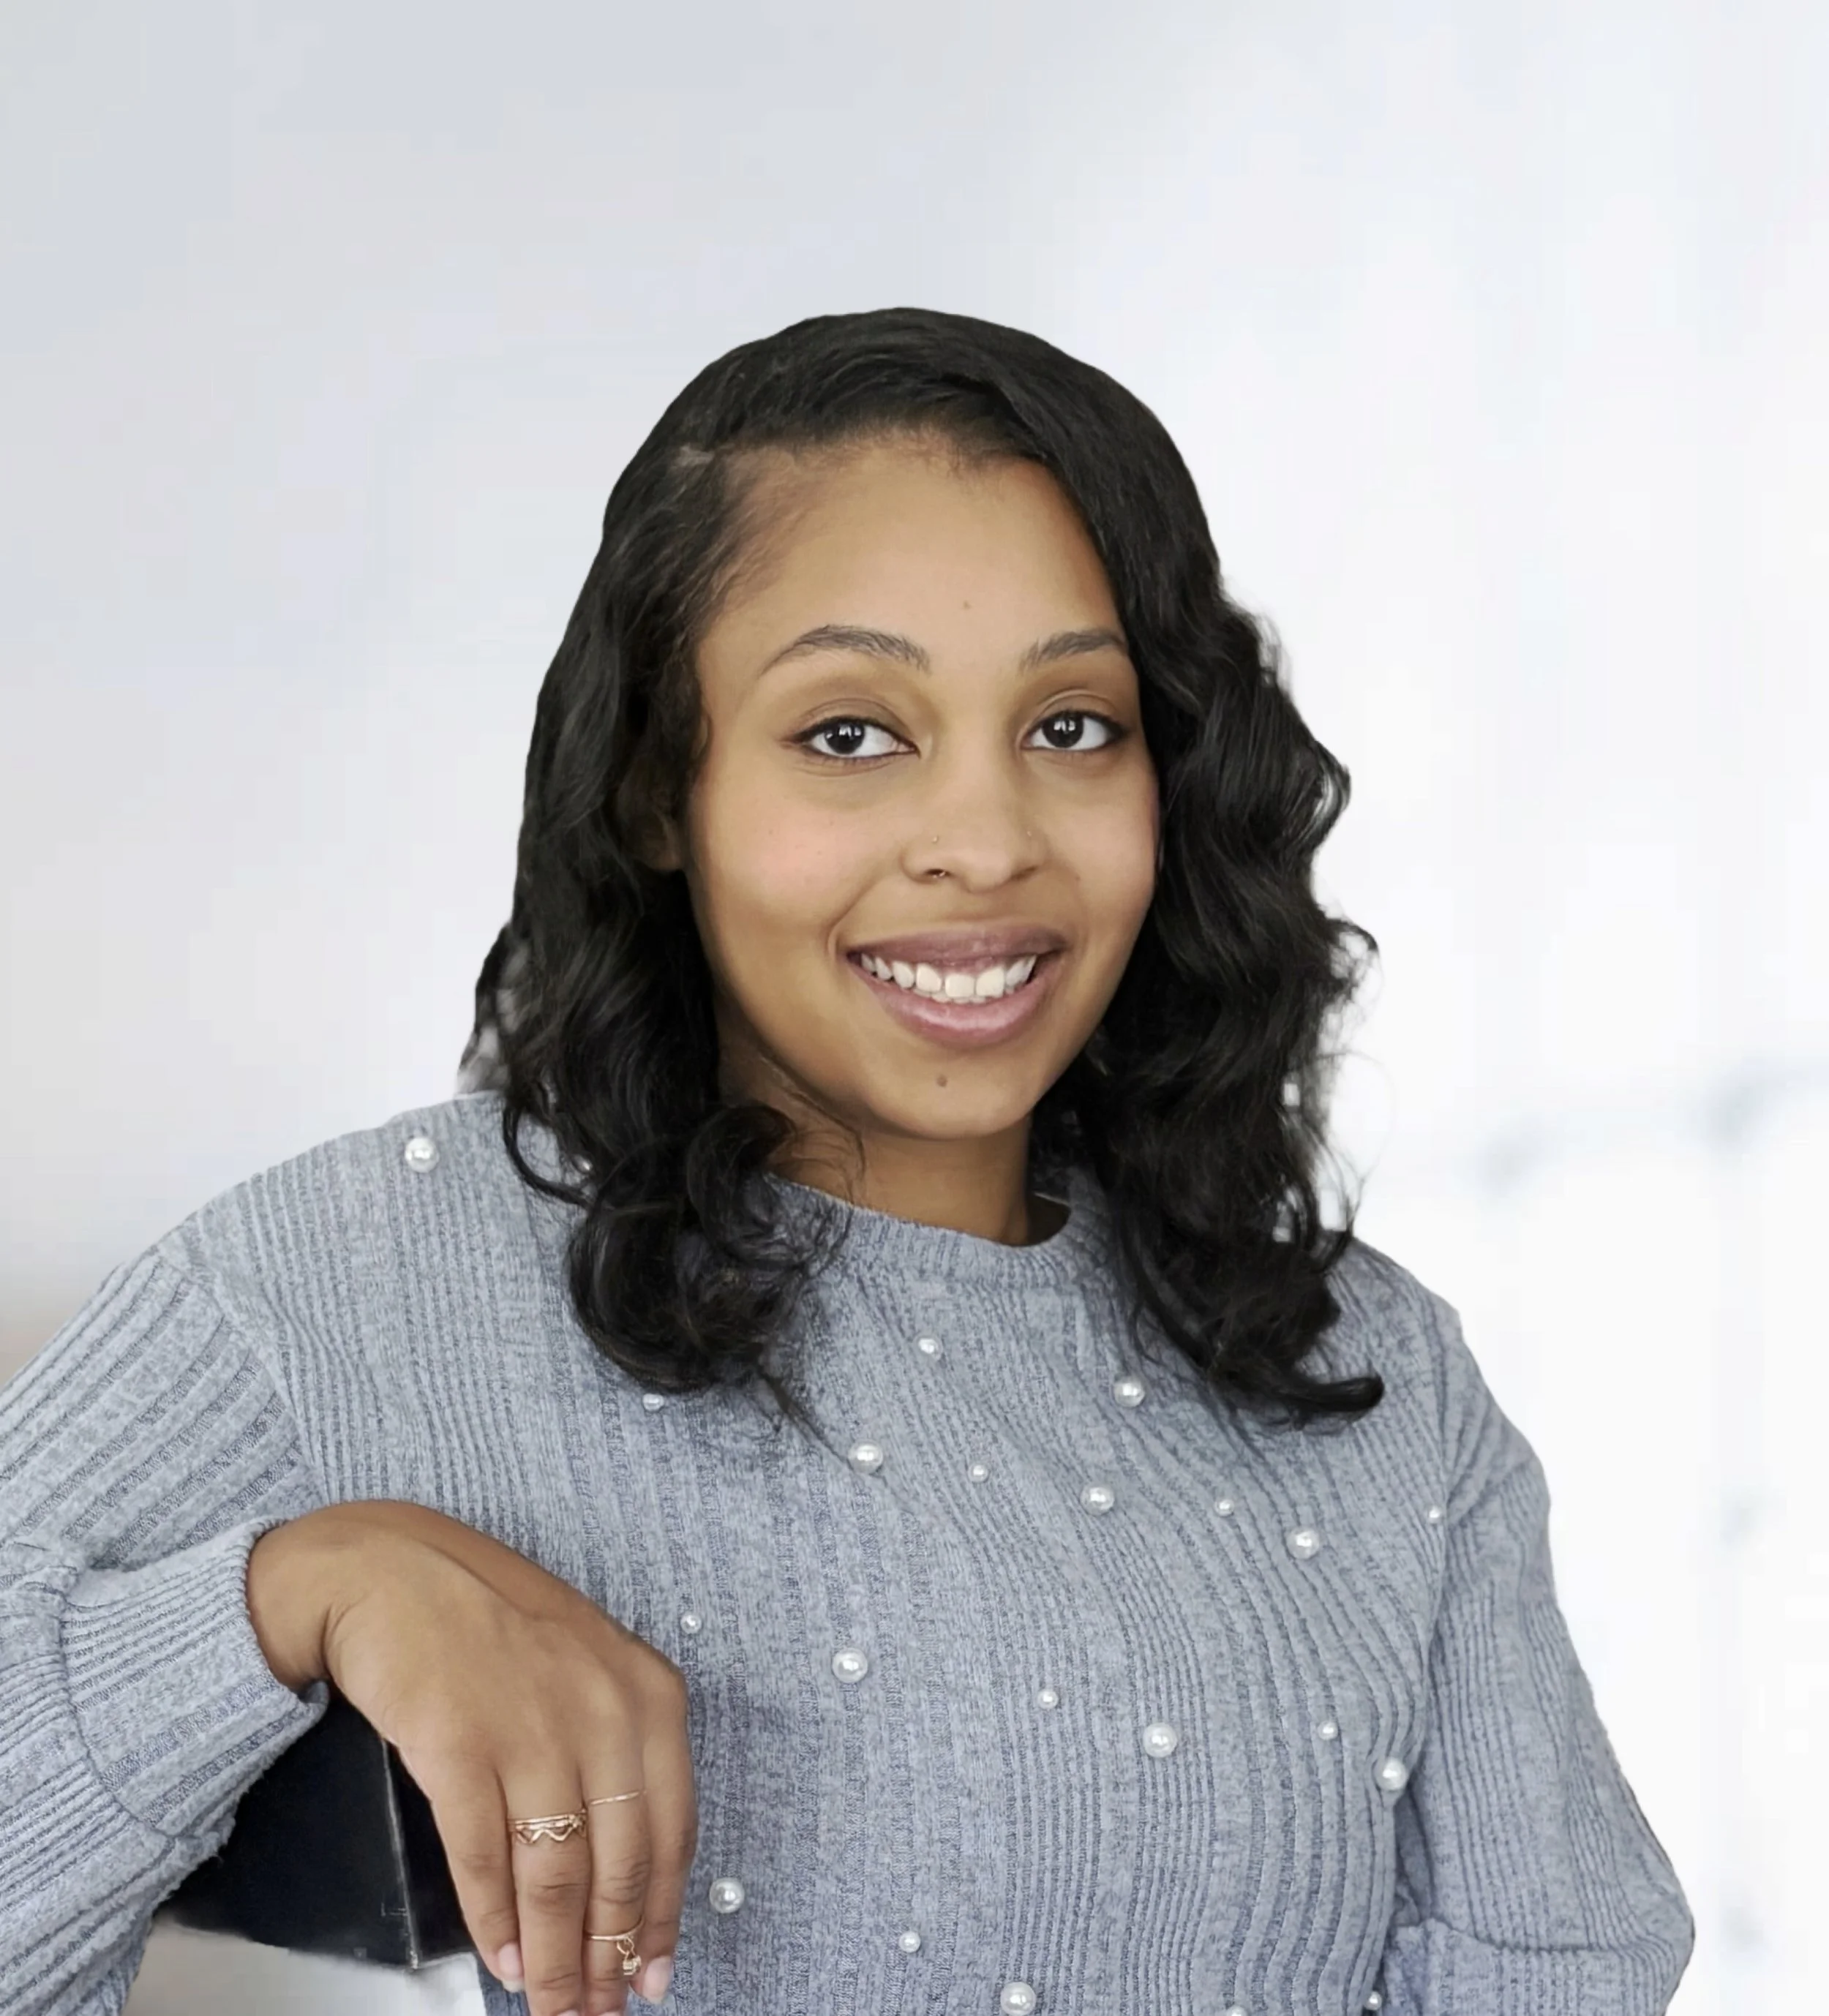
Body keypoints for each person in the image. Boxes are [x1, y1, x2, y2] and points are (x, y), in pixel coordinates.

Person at [0, 306, 1693, 2016]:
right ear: (664, 785)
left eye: (1072, 726)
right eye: (848, 734)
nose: (983, 843)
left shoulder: (1372, 1377)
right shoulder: (374, 1276)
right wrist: (290, 1592)